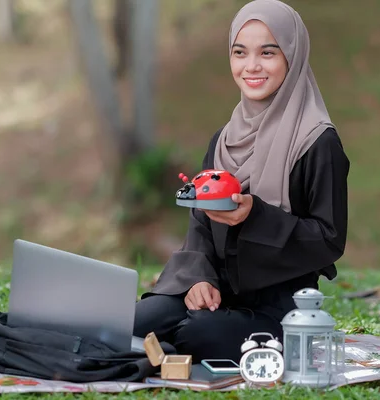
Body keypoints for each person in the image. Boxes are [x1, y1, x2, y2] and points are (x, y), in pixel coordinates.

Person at [133, 0, 350, 363]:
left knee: (197, 335)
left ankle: (165, 354)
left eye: (267, 52)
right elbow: (200, 224)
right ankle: (160, 349)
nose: (251, 66)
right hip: (214, 290)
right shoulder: (224, 139)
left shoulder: (317, 141)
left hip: (278, 306)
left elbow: (329, 240)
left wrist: (256, 217)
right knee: (134, 324)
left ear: (292, 57)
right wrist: (199, 279)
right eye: (239, 52)